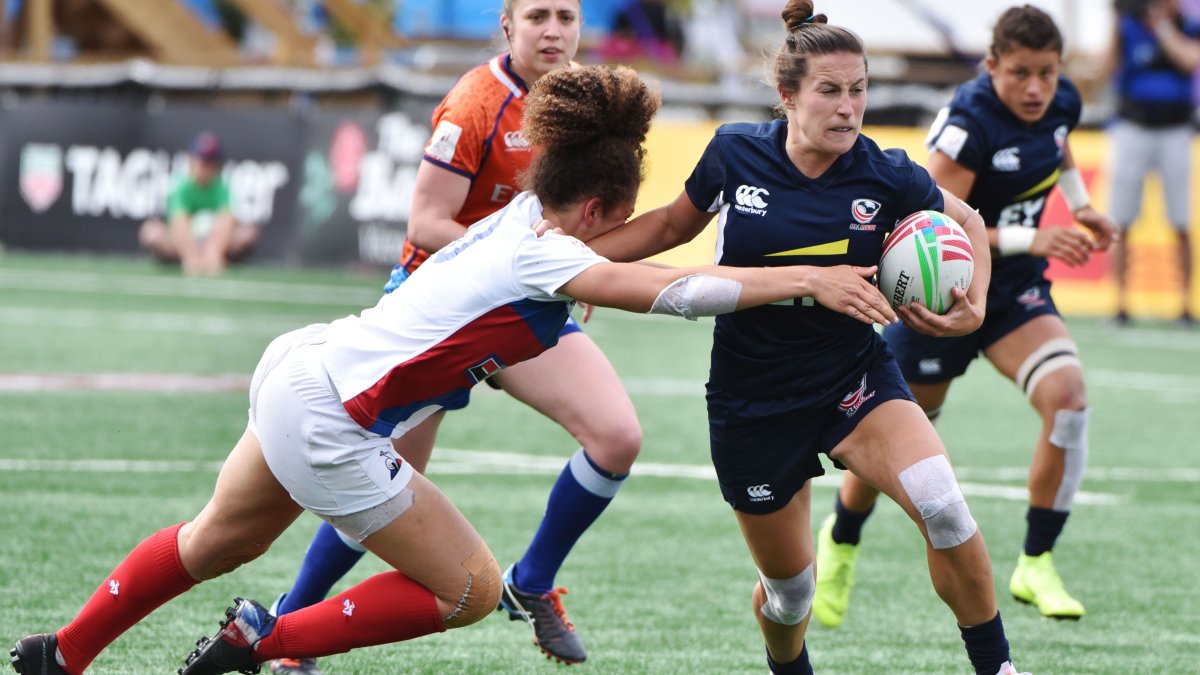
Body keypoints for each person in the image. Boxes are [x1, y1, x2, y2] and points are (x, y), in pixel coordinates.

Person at [7, 64, 862, 675]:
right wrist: (808, 277)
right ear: (597, 206)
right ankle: (261, 639)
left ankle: (64, 652)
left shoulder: (527, 214)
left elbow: (628, 259)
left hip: (303, 366)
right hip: (332, 416)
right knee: (468, 590)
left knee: (216, 539)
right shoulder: (546, 254)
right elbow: (675, 291)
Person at [584, 3, 1027, 674]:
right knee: (791, 596)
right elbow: (669, 229)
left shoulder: (886, 173)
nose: (849, 108)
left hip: (854, 378)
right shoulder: (736, 151)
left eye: (859, 89)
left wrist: (975, 306)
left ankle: (999, 667)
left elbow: (964, 217)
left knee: (944, 506)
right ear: (788, 96)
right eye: (830, 90)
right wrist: (578, 265)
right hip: (753, 398)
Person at [269, 2, 626, 671]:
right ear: (507, 26)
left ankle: (533, 579)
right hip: (438, 312)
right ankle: (292, 630)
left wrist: (580, 268)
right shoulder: (475, 101)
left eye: (568, 15)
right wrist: (518, 270)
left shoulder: (586, 103)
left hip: (526, 311)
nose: (554, 30)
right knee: (380, 486)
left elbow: (588, 214)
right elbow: (427, 222)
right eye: (538, 16)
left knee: (617, 436)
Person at [811, 5, 1116, 630]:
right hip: (940, 296)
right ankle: (842, 538)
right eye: (1021, 74)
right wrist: (1036, 239)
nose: (1036, 89)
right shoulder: (968, 124)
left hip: (1011, 296)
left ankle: (1036, 561)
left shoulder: (1060, 102)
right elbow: (936, 225)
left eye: (1048, 74)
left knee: (1069, 398)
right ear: (992, 66)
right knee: (893, 451)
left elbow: (1058, 152)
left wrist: (1080, 208)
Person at [1108, 0, 1200, 325]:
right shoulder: (1129, 25)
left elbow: (1191, 61)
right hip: (1133, 126)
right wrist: (1114, 22)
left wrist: (1163, 29)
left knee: (1180, 219)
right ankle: (1119, 302)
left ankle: (1186, 304)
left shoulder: (1188, 26)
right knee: (1122, 219)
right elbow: (1110, 68)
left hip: (1175, 129)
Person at [138, 131, 258, 276]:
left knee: (248, 233)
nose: (204, 166)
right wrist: (191, 256)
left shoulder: (222, 188)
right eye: (201, 160)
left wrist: (213, 252)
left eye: (209, 161)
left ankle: (221, 258)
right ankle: (177, 259)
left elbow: (226, 222)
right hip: (184, 242)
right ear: (191, 160)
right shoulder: (182, 187)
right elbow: (180, 223)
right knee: (151, 231)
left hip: (214, 241)